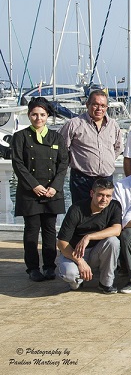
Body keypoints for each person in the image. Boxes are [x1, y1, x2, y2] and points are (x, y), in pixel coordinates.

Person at [11, 97, 69, 282]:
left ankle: (50, 266)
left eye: (42, 114)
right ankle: (32, 268)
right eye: (34, 114)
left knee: (50, 230)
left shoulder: (56, 137)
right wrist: (34, 185)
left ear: (47, 116)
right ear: (29, 115)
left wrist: (55, 187)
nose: (38, 118)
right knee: (31, 231)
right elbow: (18, 164)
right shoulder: (20, 137)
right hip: (30, 192)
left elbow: (63, 164)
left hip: (52, 192)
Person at [55, 179, 122, 293]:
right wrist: (80, 261)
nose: (104, 199)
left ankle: (106, 283)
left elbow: (117, 230)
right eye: (100, 195)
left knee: (113, 241)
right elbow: (61, 243)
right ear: (92, 193)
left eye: (108, 196)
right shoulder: (76, 209)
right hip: (74, 252)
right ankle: (77, 281)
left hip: (97, 251)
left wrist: (89, 237)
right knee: (70, 275)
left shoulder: (114, 206)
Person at [59, 89, 123, 205]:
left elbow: (118, 148)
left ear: (107, 107)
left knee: (103, 214)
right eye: (95, 105)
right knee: (81, 213)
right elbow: (61, 148)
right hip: (82, 179)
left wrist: (105, 160)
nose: (99, 109)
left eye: (103, 106)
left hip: (105, 178)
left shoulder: (113, 125)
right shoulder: (74, 124)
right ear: (87, 105)